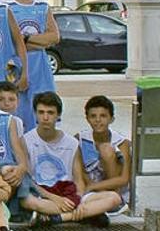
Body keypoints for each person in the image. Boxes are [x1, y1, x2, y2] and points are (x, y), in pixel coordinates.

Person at [21, 92, 123, 227]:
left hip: (68, 194)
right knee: (26, 200)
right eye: (41, 112)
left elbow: (79, 180)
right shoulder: (25, 140)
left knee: (114, 198)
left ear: (58, 115)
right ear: (35, 113)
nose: (45, 117)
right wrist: (54, 198)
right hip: (42, 194)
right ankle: (86, 214)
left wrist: (78, 199)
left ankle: (59, 217)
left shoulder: (71, 143)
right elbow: (28, 179)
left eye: (50, 113)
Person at [4, 0, 60, 129]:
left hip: (41, 65)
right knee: (17, 114)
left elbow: (54, 37)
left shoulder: (41, 5)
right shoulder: (4, 6)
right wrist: (39, 41)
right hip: (15, 64)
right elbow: (9, 42)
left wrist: (26, 39)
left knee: (44, 113)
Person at [77, 95, 131, 208]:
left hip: (113, 187)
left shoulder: (122, 142)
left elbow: (124, 179)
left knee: (106, 149)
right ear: (87, 118)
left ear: (112, 119)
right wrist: (90, 186)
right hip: (89, 186)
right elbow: (79, 171)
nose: (97, 120)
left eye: (103, 116)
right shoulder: (80, 139)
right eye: (93, 116)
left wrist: (94, 186)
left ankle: (115, 201)